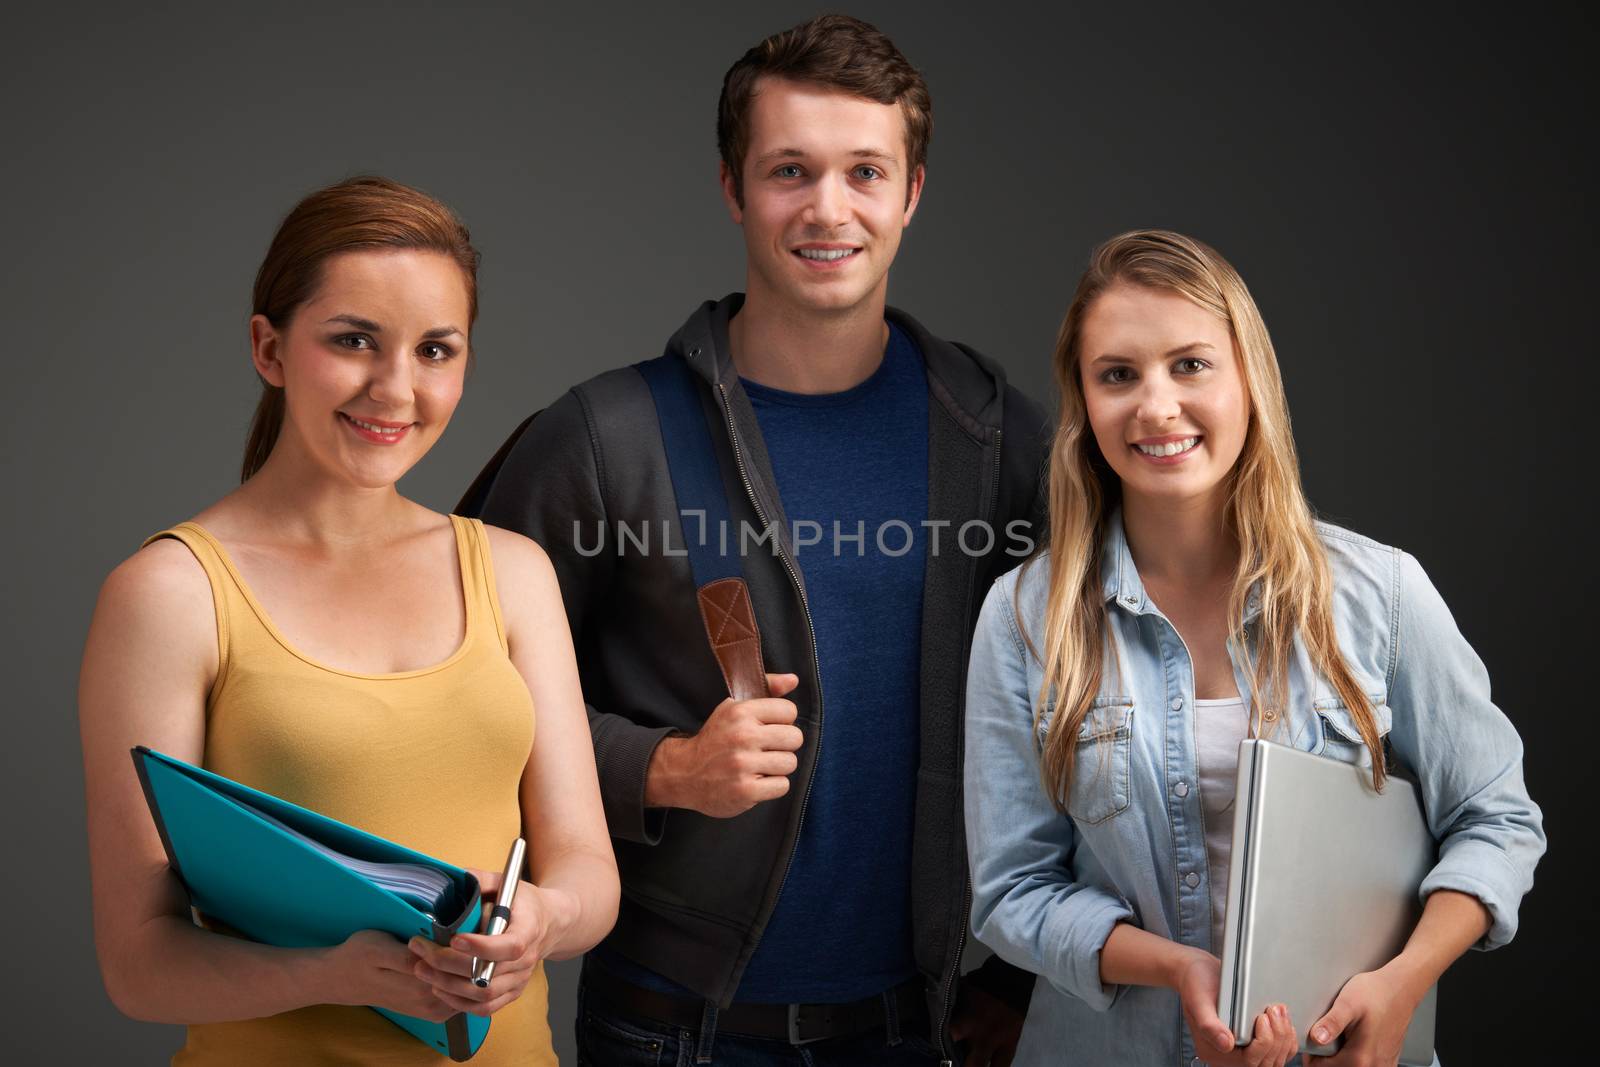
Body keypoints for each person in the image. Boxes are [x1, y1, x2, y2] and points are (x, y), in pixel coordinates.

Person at [459, 15, 1050, 1066]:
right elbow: (458, 702)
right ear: (734, 188)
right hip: (667, 1028)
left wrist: (1014, 975)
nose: (829, 208)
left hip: (918, 1030)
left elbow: (1090, 713)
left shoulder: (996, 436)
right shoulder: (606, 437)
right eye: (790, 170)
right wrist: (663, 765)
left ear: (911, 193)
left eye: (865, 171)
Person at [961, 229, 1546, 1067]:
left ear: (1249, 380)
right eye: (1117, 374)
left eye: (1190, 364)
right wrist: (1180, 970)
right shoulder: (1024, 617)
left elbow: (1497, 818)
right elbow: (1012, 892)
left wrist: (1404, 982)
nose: (1156, 406)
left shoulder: (1378, 594)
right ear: (1083, 401)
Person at [79, 176, 619, 1065]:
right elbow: (139, 963)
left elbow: (588, 875)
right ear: (270, 347)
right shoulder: (169, 593)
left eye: (436, 350)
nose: (396, 389)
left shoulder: (514, 573)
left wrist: (543, 920)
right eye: (354, 340)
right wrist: (335, 973)